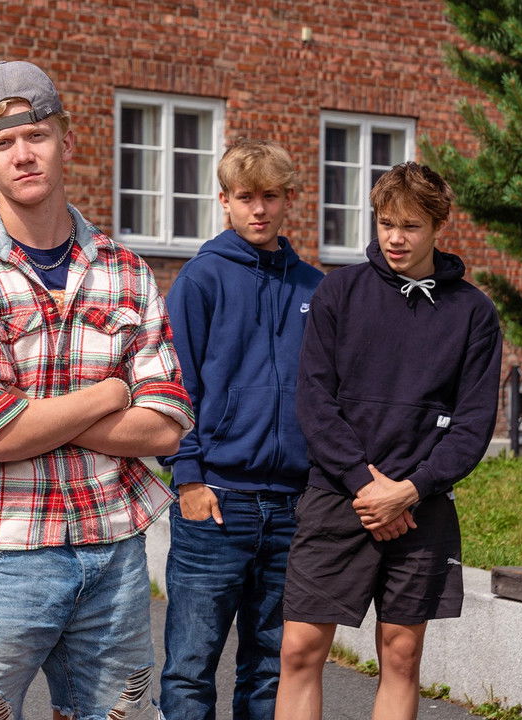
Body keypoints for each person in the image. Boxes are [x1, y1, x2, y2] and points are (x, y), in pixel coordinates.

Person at [0, 60, 194, 720]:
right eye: (3, 143)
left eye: (36, 135)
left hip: (112, 552)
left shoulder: (126, 272)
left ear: (66, 140)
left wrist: (35, 416)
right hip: (0, 555)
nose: (23, 154)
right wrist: (108, 394)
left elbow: (166, 424)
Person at [274, 162, 502, 720]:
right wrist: (367, 485)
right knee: (300, 649)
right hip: (339, 496)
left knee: (402, 655)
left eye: (411, 226)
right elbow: (315, 402)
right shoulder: (339, 291)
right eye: (385, 223)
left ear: (439, 226)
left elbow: (473, 424)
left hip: (421, 506)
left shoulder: (473, 312)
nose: (395, 238)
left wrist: (409, 491)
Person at [159, 139, 323, 720]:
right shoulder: (200, 279)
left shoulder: (314, 288)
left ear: (289, 200)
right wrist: (188, 479)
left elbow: (328, 395)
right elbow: (174, 387)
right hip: (216, 503)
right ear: (224, 200)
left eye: (271, 196)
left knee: (271, 667)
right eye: (246, 197)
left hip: (292, 507)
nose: (259, 209)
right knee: (190, 667)